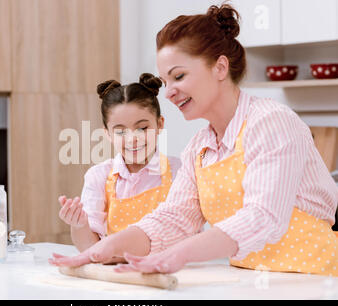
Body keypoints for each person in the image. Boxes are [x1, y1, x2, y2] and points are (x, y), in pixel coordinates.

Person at [50, 4, 338, 276]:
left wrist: (180, 255)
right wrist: (100, 251)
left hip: (317, 280)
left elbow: (263, 217)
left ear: (220, 68)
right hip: (251, 281)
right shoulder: (199, 149)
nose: (170, 92)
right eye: (166, 82)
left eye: (179, 76)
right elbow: (173, 219)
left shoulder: (271, 123)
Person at [58, 73, 181, 252]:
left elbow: (188, 233)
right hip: (117, 273)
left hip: (172, 271)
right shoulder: (98, 176)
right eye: (120, 132)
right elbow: (89, 249)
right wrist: (79, 225)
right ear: (107, 133)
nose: (132, 139)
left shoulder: (179, 171)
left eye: (142, 128)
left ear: (159, 124)